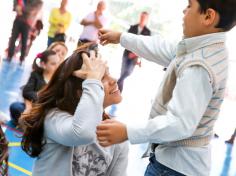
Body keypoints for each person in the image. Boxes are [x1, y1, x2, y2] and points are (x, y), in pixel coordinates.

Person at [97, 0, 236, 175]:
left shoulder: (199, 65)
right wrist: (121, 37)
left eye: (189, 6)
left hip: (173, 168)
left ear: (208, 16)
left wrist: (128, 132)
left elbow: (179, 124)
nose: (184, 11)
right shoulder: (206, 49)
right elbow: (162, 48)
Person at [19, 45, 128, 176]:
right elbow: (83, 133)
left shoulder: (116, 133)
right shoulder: (54, 118)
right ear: (80, 92)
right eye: (102, 77)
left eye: (108, 73)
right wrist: (93, 80)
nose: (114, 80)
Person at [9, 50, 60, 126]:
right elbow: (26, 92)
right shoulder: (36, 75)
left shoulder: (58, 80)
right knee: (15, 107)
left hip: (45, 111)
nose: (57, 66)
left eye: (58, 63)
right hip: (32, 108)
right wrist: (43, 98)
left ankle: (30, 124)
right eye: (53, 64)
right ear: (43, 64)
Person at [118, 11, 151, 93]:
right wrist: (130, 52)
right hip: (127, 54)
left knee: (128, 72)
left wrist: (136, 55)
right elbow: (125, 40)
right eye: (141, 17)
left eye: (144, 17)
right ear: (140, 17)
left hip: (135, 57)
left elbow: (145, 47)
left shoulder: (148, 32)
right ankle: (118, 92)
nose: (142, 19)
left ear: (147, 19)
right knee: (123, 72)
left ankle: (117, 85)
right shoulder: (132, 28)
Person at [7, 0, 43, 65]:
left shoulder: (39, 2)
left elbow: (32, 10)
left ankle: (22, 59)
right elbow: (16, 3)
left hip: (28, 24)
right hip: (18, 20)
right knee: (13, 38)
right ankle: (9, 56)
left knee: (24, 41)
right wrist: (16, 7)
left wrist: (20, 8)